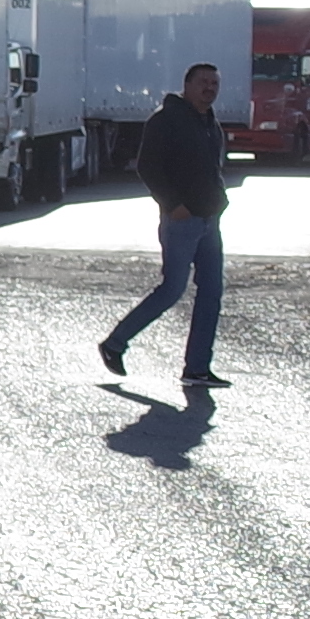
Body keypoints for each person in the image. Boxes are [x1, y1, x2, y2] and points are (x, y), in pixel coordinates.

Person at [99, 62, 229, 391]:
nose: (209, 88)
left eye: (214, 83)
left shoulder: (209, 121)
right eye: (203, 82)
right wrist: (173, 205)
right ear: (186, 85)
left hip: (209, 220)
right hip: (181, 221)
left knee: (212, 293)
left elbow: (212, 167)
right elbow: (147, 167)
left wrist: (220, 201)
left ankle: (197, 368)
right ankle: (115, 344)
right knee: (172, 290)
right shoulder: (166, 120)